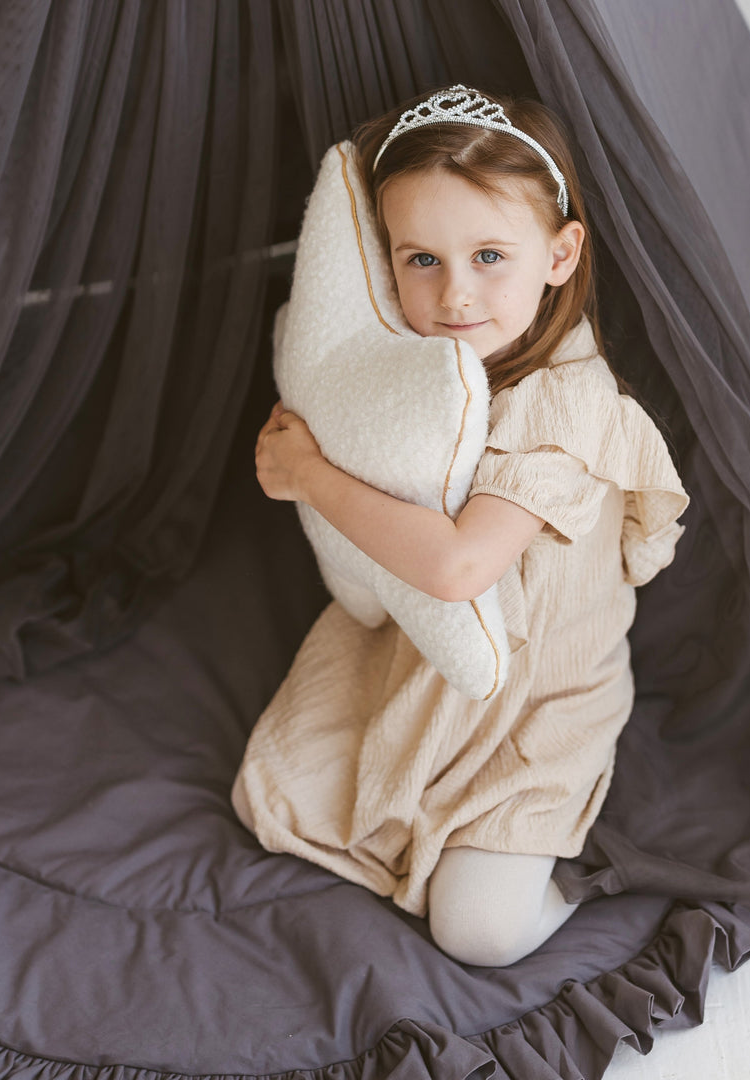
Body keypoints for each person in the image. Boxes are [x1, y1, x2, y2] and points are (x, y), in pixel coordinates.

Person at [232, 86, 689, 967]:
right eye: (421, 260)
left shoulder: (566, 406)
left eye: (488, 256)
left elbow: (456, 569)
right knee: (276, 798)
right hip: (431, 664)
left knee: (478, 933)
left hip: (539, 699)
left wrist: (311, 477)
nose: (454, 295)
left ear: (559, 256)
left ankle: (564, 892)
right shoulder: (418, 371)